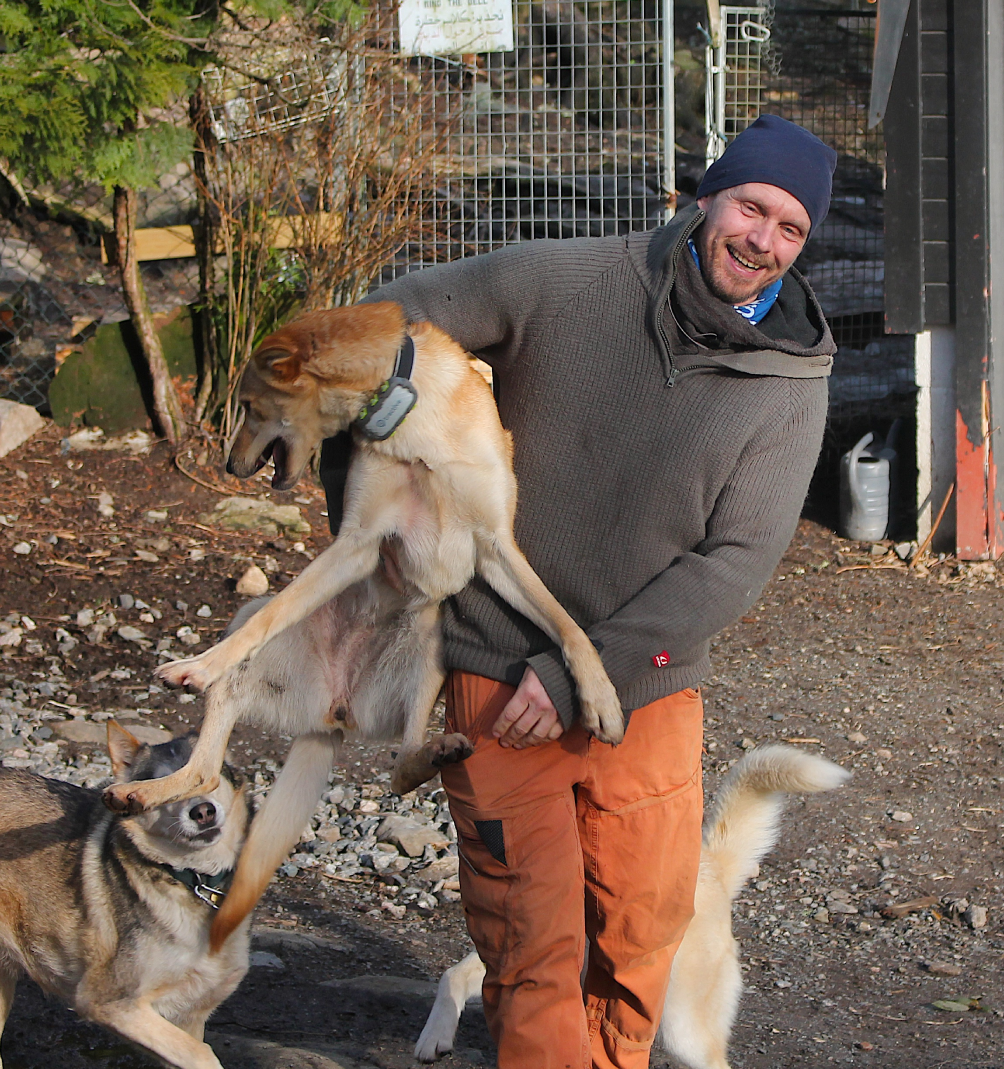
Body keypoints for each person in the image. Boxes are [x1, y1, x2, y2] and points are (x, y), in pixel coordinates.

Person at [344, 114, 837, 1068]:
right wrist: (383, 487)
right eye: (751, 206)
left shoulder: (790, 379)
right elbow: (381, 325)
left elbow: (734, 559)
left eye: (791, 229)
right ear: (707, 197)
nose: (763, 241)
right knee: (531, 950)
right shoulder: (563, 281)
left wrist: (582, 672)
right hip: (493, 668)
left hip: (646, 685)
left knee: (642, 937)